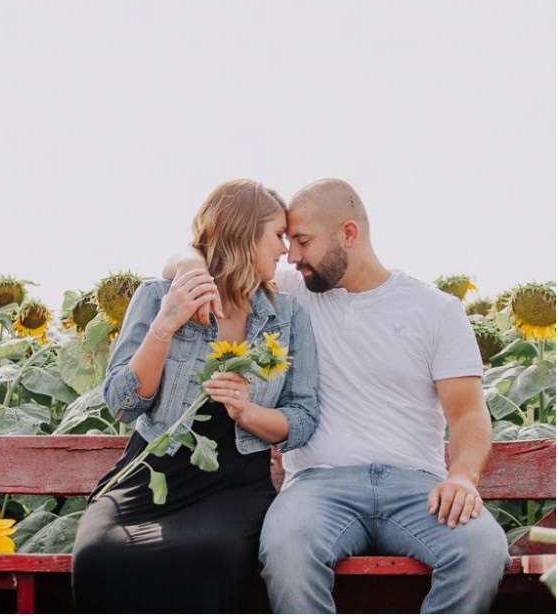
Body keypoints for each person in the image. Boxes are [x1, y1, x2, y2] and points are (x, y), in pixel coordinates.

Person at [168, 179, 509, 614]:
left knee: (482, 550)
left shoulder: (435, 309)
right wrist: (191, 268)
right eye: (288, 241)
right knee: (287, 550)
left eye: (303, 241)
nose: (291, 255)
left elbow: (468, 415)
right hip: (317, 486)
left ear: (348, 233)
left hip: (417, 487)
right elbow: (193, 255)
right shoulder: (288, 293)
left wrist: (461, 477)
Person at [71, 180, 318, 614]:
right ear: (243, 232)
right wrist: (165, 324)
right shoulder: (157, 295)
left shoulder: (286, 314)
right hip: (149, 476)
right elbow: (123, 405)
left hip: (234, 487)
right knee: (98, 556)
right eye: (277, 234)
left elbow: (303, 417)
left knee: (210, 559)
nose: (284, 249)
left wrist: (247, 411)